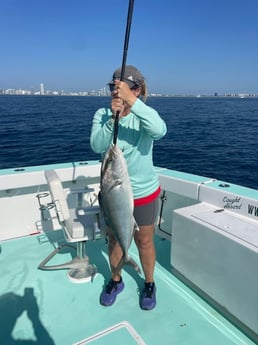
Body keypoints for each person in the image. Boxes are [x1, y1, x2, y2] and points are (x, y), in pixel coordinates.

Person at [90, 65, 167, 310]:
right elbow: (96, 144)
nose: (117, 92)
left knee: (144, 241)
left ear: (137, 89)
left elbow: (159, 131)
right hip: (114, 193)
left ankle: (149, 283)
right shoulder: (103, 113)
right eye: (114, 87)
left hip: (143, 192)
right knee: (114, 241)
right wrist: (112, 118)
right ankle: (116, 279)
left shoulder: (144, 114)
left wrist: (133, 102)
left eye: (124, 87)